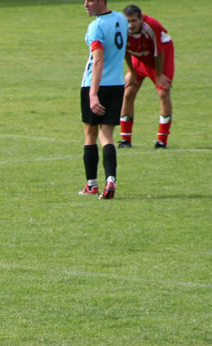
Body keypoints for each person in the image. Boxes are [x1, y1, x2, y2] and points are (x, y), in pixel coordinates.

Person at [78, 0, 128, 200]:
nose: (85, 4)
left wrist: (93, 93)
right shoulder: (121, 20)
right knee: (106, 134)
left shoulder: (96, 26)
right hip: (116, 84)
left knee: (90, 132)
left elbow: (98, 59)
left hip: (95, 84)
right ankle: (111, 179)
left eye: (89, 0)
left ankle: (91, 185)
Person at [119, 4, 175, 149]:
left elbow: (159, 52)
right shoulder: (121, 28)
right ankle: (125, 140)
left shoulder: (151, 27)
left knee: (163, 92)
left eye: (133, 21)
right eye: (128, 21)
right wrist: (131, 71)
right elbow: (124, 51)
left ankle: (162, 141)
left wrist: (159, 75)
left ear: (140, 20)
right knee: (128, 93)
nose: (130, 25)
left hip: (160, 57)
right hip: (139, 57)